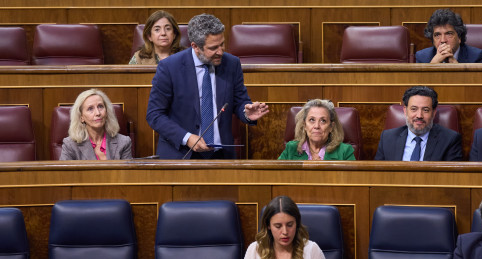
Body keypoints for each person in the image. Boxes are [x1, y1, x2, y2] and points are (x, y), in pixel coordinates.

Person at [146, 13, 269, 159]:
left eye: (222, 44)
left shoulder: (232, 63)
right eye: (213, 47)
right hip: (180, 155)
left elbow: (239, 101)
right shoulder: (169, 67)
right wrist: (187, 138)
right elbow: (154, 115)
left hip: (221, 156)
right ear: (195, 46)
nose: (220, 51)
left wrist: (246, 113)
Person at [240, 196, 330, 259]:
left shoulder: (311, 250)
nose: (285, 232)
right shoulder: (255, 250)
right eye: (278, 226)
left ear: (297, 223)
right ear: (268, 226)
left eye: (290, 225)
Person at [374, 86, 462, 161]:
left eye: (425, 110)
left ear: (434, 113)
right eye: (414, 109)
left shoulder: (449, 140)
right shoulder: (387, 138)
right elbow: (378, 175)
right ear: (405, 111)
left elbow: (452, 178)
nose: (419, 115)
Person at [60, 89, 132, 160]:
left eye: (100, 106)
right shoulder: (70, 145)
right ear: (81, 117)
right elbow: (63, 172)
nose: (98, 113)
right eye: (90, 109)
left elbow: (128, 172)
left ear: (107, 112)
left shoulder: (123, 142)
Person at [278, 99, 355, 160]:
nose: (317, 126)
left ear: (331, 127)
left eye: (323, 121)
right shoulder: (291, 149)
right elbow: (276, 176)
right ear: (304, 125)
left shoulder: (345, 152)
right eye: (312, 120)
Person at [416, 8, 482, 63]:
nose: (443, 40)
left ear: (459, 37)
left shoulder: (476, 56)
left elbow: (479, 81)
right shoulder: (422, 57)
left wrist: (456, 67)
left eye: (449, 34)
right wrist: (432, 66)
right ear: (432, 40)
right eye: (437, 35)